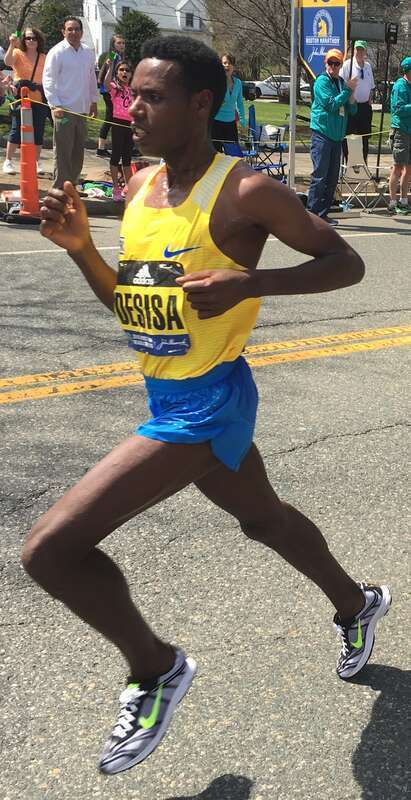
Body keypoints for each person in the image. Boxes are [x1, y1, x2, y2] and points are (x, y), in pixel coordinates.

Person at [24, 35, 391, 777]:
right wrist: (81, 252)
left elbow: (344, 263)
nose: (133, 110)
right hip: (168, 392)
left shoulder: (245, 190)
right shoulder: (135, 192)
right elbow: (133, 308)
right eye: (132, 95)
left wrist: (248, 284)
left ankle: (154, 666)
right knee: (263, 520)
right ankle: (357, 604)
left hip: (208, 404)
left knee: (50, 551)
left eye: (152, 97)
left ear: (201, 104)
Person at [42, 17, 98, 189]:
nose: (73, 32)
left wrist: (94, 101)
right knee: (63, 150)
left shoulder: (88, 51)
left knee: (78, 150)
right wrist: (55, 104)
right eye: (70, 29)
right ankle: (59, 187)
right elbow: (48, 80)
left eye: (77, 29)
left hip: (81, 109)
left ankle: (72, 185)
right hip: (63, 109)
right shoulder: (57, 52)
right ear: (63, 31)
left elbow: (91, 78)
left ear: (81, 32)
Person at [307, 49, 358, 225]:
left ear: (341, 65)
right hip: (322, 134)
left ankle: (323, 214)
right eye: (331, 63)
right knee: (320, 176)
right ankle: (313, 214)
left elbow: (352, 110)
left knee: (332, 178)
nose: (333, 67)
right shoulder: (321, 81)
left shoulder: (342, 82)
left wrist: (351, 96)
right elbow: (331, 105)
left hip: (337, 137)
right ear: (326, 63)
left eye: (337, 63)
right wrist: (346, 92)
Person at [2, 27, 48, 176]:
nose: (31, 41)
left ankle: (36, 162)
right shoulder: (17, 53)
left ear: (38, 40)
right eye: (28, 38)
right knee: (17, 129)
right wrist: (11, 44)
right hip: (21, 97)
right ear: (23, 40)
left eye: (34, 38)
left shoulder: (44, 57)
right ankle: (8, 161)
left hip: (39, 99)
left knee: (38, 130)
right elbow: (7, 61)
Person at [103, 59, 133, 201]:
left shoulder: (133, 89)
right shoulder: (115, 87)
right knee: (116, 155)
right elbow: (106, 84)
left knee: (127, 158)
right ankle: (116, 187)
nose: (124, 72)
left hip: (130, 125)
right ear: (117, 73)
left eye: (127, 70)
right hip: (117, 123)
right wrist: (110, 68)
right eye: (121, 70)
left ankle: (129, 187)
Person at [340, 41, 375, 163]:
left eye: (362, 50)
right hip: (351, 106)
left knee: (364, 138)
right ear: (353, 50)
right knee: (349, 136)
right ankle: (348, 164)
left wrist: (369, 100)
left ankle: (363, 165)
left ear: (365, 51)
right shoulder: (347, 65)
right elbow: (341, 84)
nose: (359, 52)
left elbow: (371, 86)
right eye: (357, 49)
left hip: (365, 107)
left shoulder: (368, 66)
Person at [388, 56, 411, 216]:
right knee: (397, 167)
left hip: (410, 131)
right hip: (400, 131)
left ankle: (404, 201)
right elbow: (398, 109)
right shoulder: (400, 86)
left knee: (409, 169)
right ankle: (392, 202)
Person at [97, 34, 126, 158]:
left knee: (113, 118)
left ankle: (105, 148)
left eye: (123, 43)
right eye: (119, 43)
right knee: (110, 117)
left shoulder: (120, 56)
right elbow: (107, 71)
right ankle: (101, 148)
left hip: (114, 89)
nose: (122, 45)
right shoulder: (113, 55)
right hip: (108, 90)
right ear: (113, 44)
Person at [211, 53, 246, 152]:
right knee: (216, 155)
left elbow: (239, 103)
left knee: (233, 155)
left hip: (231, 124)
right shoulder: (216, 81)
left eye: (229, 63)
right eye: (224, 63)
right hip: (216, 123)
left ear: (233, 66)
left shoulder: (238, 83)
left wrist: (243, 121)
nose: (227, 65)